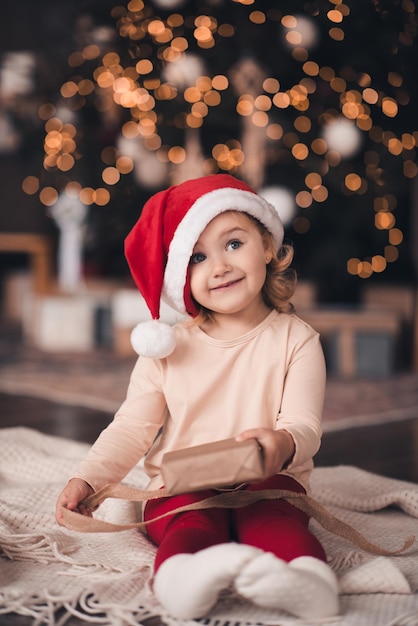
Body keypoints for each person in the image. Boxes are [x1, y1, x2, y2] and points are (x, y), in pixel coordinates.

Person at [56, 174, 339, 620]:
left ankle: (309, 581)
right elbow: (132, 427)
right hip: (182, 482)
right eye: (197, 257)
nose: (220, 267)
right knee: (189, 519)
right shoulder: (168, 347)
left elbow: (303, 424)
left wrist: (281, 444)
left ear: (266, 245)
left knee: (276, 516)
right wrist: (89, 478)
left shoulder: (297, 340)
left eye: (233, 244)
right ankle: (183, 578)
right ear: (179, 276)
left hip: (268, 477)